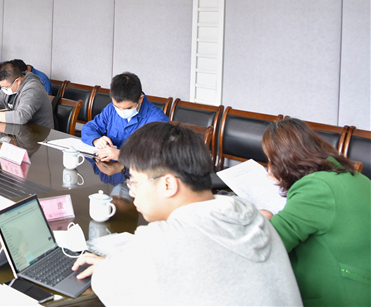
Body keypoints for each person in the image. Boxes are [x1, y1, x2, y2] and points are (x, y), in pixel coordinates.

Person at [72, 122, 303, 306]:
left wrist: (108, 269)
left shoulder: (164, 239)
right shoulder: (251, 216)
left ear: (168, 185)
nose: (131, 191)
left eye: (133, 181)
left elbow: (110, 286)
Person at [259, 119, 370, 307]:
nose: (269, 166)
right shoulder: (351, 175)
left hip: (341, 295)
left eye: (271, 160)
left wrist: (264, 218)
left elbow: (271, 244)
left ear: (284, 161)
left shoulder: (317, 187)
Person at [81, 72, 168, 162]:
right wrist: (96, 140)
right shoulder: (111, 109)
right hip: (108, 166)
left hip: (135, 169)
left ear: (140, 99)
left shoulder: (157, 120)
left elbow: (157, 156)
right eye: (117, 107)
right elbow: (89, 127)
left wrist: (121, 155)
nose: (122, 112)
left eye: (128, 108)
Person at [0, 61, 54, 128]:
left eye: (5, 87)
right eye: (1, 86)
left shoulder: (33, 88)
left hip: (38, 134)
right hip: (18, 130)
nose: (3, 89)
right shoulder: (10, 84)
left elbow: (21, 117)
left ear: (17, 81)